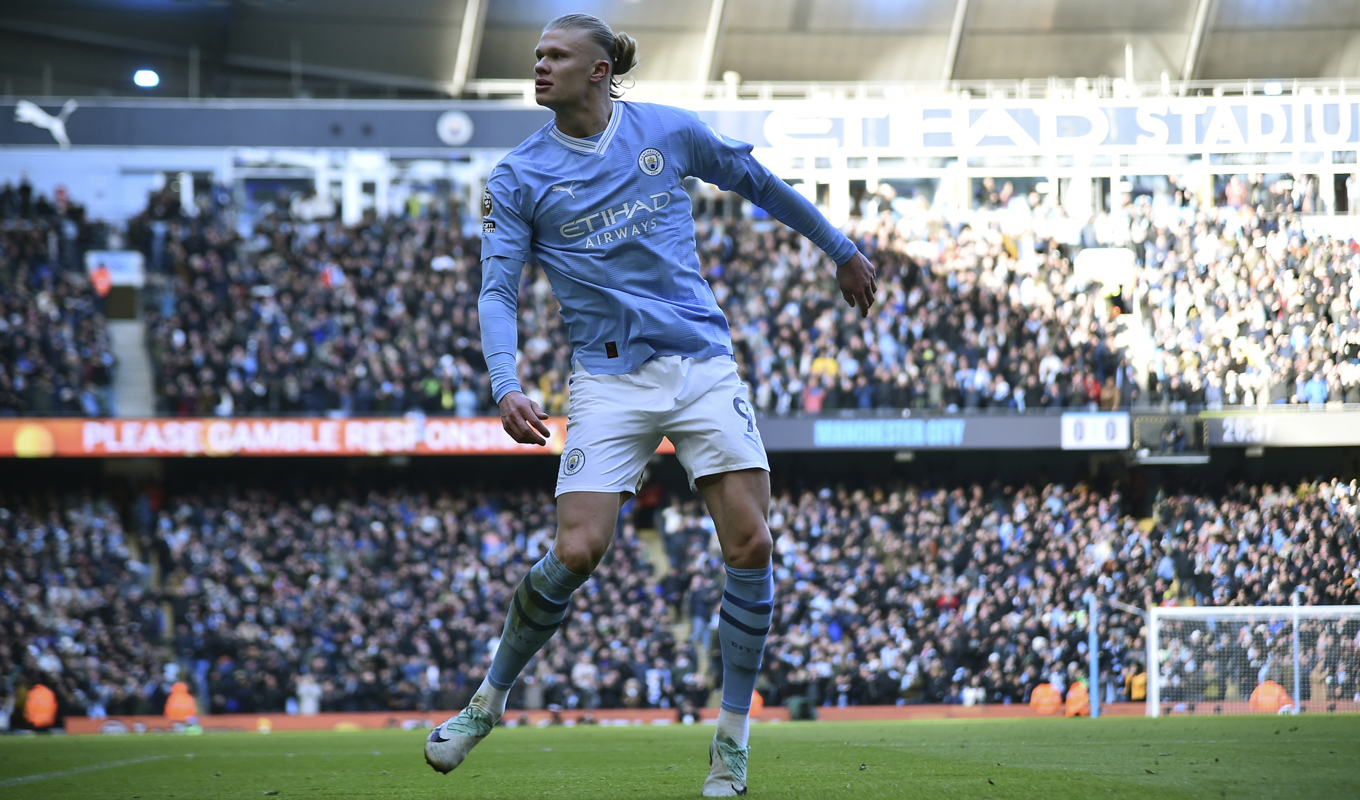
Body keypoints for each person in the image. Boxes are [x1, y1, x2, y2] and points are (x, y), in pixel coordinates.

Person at [422, 13, 876, 797]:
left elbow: (760, 183)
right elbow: (497, 291)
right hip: (607, 380)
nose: (539, 66)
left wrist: (841, 250)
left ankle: (731, 743)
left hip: (701, 364)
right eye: (537, 55)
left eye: (556, 56)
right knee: (576, 552)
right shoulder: (518, 175)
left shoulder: (668, 131)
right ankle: (486, 703)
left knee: (752, 543)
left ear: (599, 70)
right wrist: (505, 381)